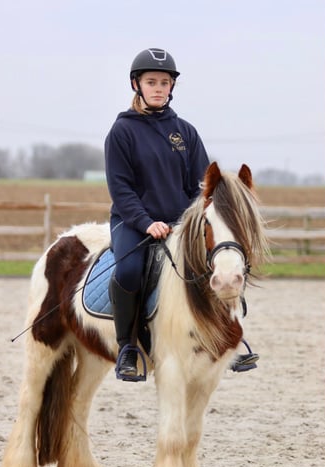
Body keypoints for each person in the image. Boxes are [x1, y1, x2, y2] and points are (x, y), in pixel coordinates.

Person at [104, 48, 258, 381]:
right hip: (133, 222)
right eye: (151, 82)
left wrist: (188, 223)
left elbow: (200, 187)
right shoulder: (122, 132)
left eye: (164, 82)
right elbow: (121, 189)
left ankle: (230, 337)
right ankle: (128, 347)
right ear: (137, 85)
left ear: (171, 86)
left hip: (179, 224)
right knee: (129, 270)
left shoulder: (184, 132)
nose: (158, 87)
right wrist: (147, 222)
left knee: (217, 263)